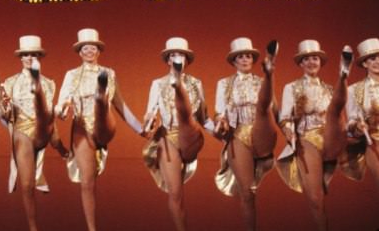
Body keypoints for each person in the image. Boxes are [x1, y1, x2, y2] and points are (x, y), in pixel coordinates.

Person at [56, 28, 143, 231]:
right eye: (85, 47)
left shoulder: (109, 73)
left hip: (103, 125)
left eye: (93, 47)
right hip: (81, 127)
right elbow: (61, 104)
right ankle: (92, 228)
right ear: (80, 52)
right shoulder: (71, 75)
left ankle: (100, 98)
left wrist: (140, 129)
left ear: (98, 51)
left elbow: (121, 105)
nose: (89, 50)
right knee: (87, 182)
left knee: (103, 107)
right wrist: (62, 110)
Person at [276, 40, 348, 231]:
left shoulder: (330, 90)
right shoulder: (291, 88)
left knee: (335, 112)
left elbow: (340, 119)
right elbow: (284, 117)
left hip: (331, 136)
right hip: (307, 137)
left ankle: (344, 75)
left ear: (320, 62)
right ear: (300, 64)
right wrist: (288, 130)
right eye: (306, 59)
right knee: (315, 199)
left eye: (314, 58)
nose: (311, 62)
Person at [0, 35, 68, 231]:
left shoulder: (50, 83)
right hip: (22, 131)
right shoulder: (10, 82)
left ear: (39, 57)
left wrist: (59, 117)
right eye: (26, 55)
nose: (29, 57)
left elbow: (51, 117)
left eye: (33, 55)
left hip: (43, 126)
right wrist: (6, 108)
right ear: (21, 58)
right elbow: (6, 116)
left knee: (45, 115)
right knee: (27, 185)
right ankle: (33, 227)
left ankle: (59, 144)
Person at [211, 38, 278, 231]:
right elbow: (219, 111)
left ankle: (271, 68)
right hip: (238, 133)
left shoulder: (260, 82)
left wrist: (291, 135)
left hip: (261, 128)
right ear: (234, 61)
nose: (245, 59)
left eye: (248, 56)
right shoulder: (224, 84)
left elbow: (276, 111)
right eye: (240, 56)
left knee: (263, 107)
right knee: (248, 194)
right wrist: (220, 121)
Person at [142, 37, 207, 231]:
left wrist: (222, 133)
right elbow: (149, 112)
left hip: (190, 134)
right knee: (176, 194)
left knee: (187, 118)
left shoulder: (196, 83)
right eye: (173, 55)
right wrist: (150, 122)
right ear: (168, 60)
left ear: (186, 60)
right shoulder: (157, 84)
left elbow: (205, 117)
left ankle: (179, 87)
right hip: (168, 137)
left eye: (181, 55)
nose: (177, 58)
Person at [342, 37, 379, 190]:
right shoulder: (354, 90)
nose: (377, 61)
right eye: (372, 59)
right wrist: (357, 125)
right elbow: (351, 120)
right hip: (374, 142)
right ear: (365, 64)